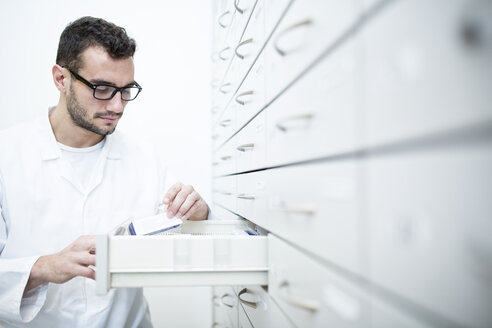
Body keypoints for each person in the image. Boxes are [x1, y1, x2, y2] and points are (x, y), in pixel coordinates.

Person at [0, 16, 209, 327]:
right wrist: (44, 267)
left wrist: (198, 210)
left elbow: (186, 236)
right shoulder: (8, 155)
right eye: (102, 88)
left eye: (126, 90)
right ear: (61, 79)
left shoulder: (143, 158)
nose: (117, 106)